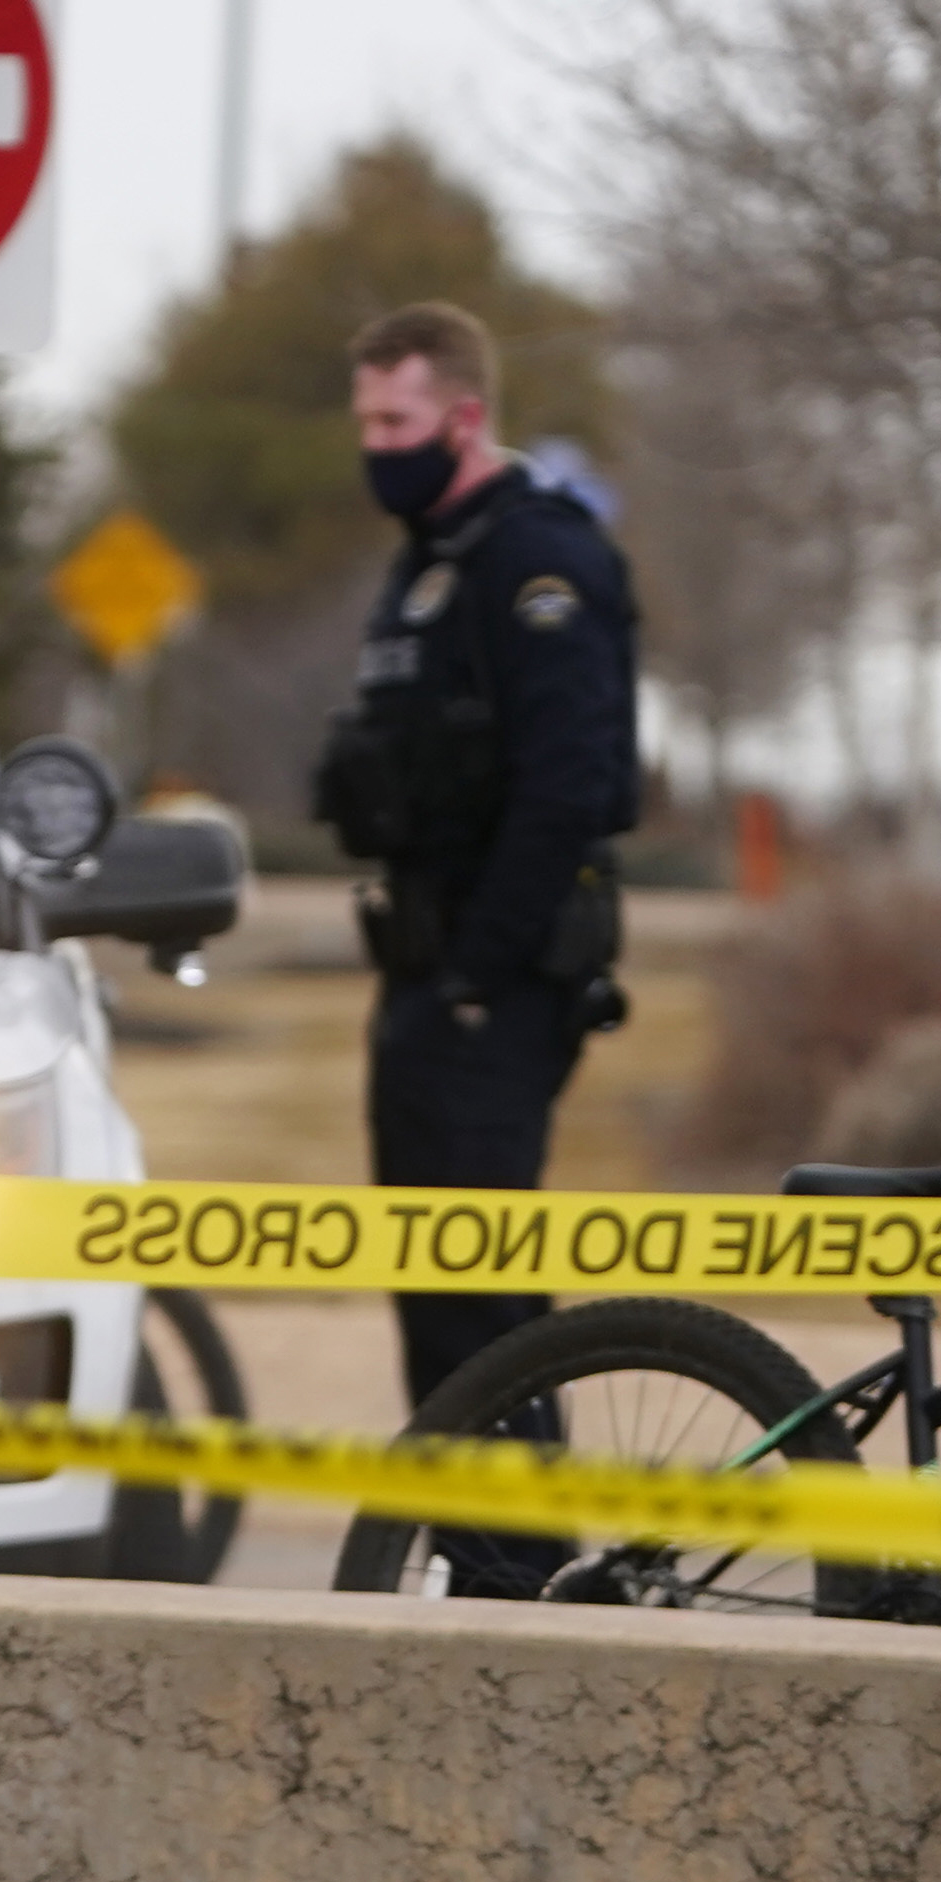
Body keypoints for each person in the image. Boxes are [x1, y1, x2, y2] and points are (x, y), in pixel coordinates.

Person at [313, 299, 639, 1416]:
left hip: (494, 986)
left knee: (481, 1299)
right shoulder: (430, 564)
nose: (379, 447)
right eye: (366, 422)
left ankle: (518, 1571)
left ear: (465, 415)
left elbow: (570, 788)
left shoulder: (537, 560)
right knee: (436, 1294)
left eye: (398, 421)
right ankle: (466, 1554)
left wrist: (473, 977)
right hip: (424, 969)